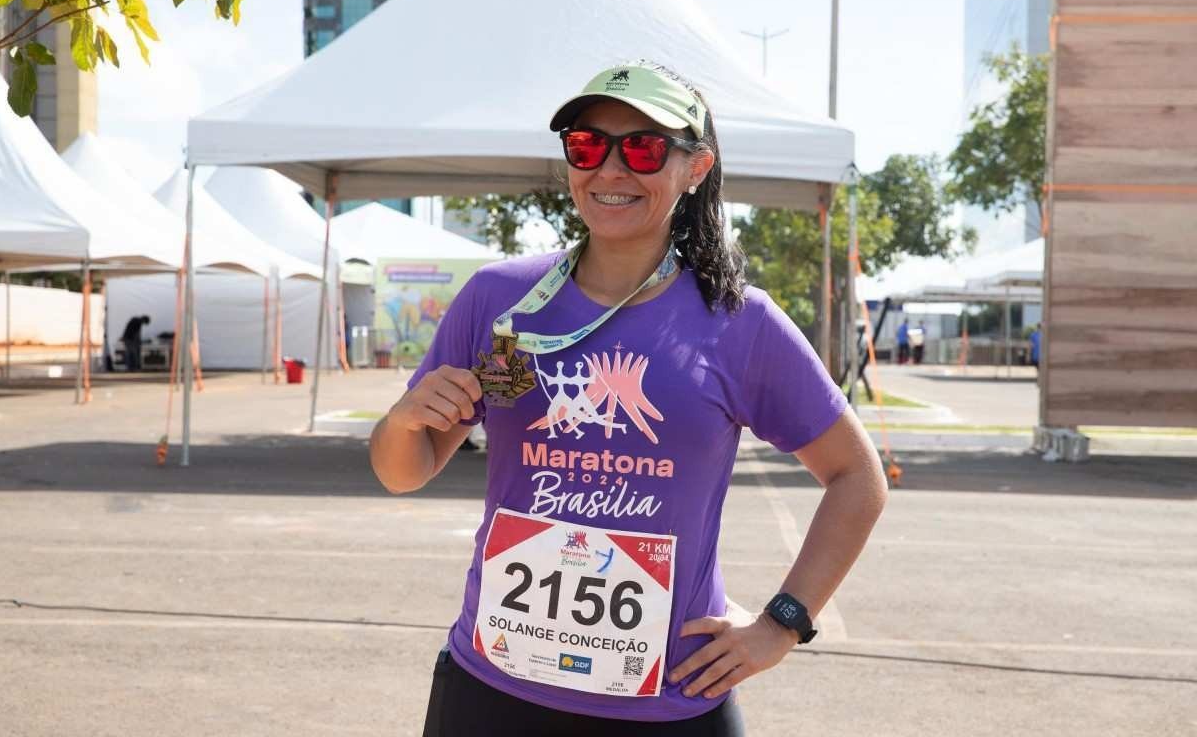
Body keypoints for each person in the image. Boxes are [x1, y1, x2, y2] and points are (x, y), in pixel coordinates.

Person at [370, 62, 887, 736]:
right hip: (492, 689)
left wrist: (781, 625)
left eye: (642, 148)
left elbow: (858, 478)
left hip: (669, 706)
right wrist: (403, 418)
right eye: (587, 146)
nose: (610, 171)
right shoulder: (499, 301)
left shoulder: (738, 322)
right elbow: (400, 471)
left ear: (695, 168)